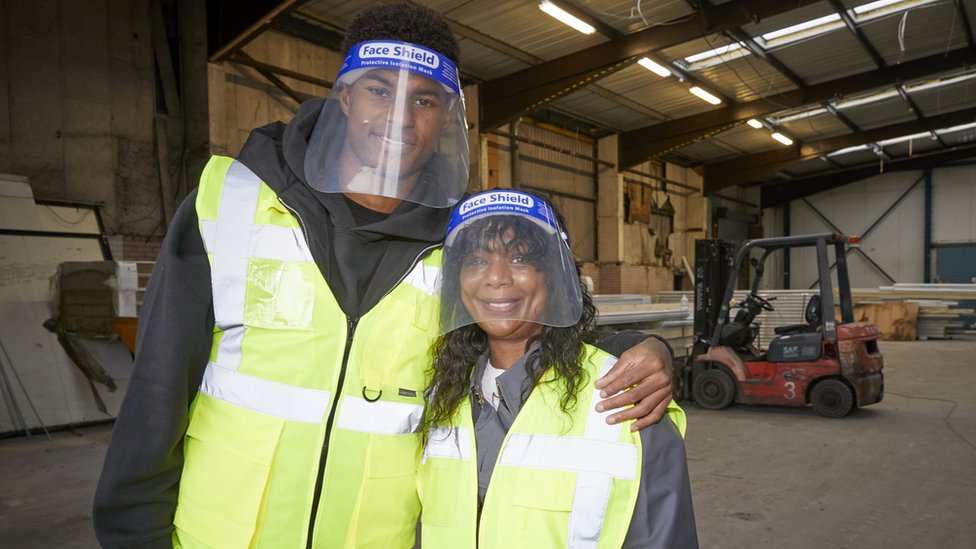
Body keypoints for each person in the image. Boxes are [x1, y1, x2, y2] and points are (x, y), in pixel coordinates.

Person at [92, 3, 675, 548]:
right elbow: (160, 382)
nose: (400, 119)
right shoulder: (234, 199)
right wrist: (131, 530)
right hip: (219, 534)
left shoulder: (459, 242)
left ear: (446, 117)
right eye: (379, 90)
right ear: (344, 97)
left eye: (424, 100)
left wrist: (643, 346)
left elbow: (526, 326)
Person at [418, 190, 698, 548]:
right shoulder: (440, 393)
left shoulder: (626, 397)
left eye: (519, 258)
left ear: (555, 275)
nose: (496, 277)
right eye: (476, 260)